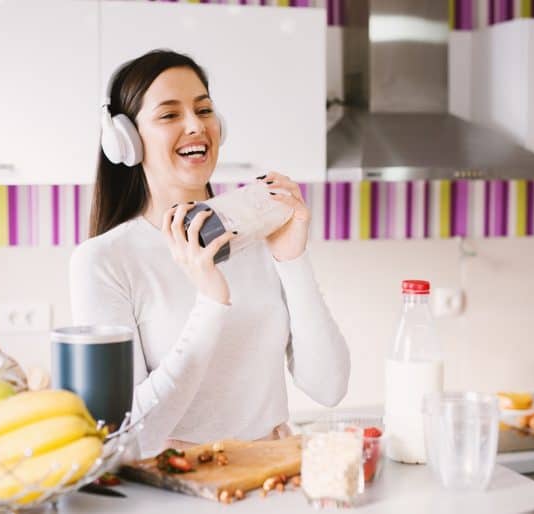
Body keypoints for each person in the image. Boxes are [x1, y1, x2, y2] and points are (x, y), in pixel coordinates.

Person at [69, 49, 350, 457]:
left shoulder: (258, 235)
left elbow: (330, 386)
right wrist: (211, 303)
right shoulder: (104, 261)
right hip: (175, 487)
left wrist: (293, 260)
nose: (195, 126)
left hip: (269, 478)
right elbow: (128, 437)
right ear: (126, 141)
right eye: (169, 115)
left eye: (204, 110)